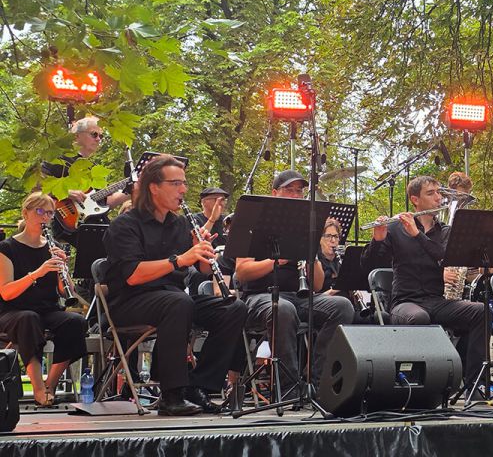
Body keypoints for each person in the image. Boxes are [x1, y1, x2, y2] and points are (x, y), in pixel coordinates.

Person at [102, 155, 248, 415]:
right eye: (175, 183)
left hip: (176, 301)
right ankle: (171, 395)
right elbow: (133, 275)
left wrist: (202, 250)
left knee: (233, 308)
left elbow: (203, 269)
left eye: (184, 183)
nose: (183, 190)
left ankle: (200, 385)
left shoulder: (179, 224)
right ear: (153, 187)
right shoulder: (124, 225)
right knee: (178, 302)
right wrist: (179, 259)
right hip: (130, 301)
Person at [235, 170, 355, 396]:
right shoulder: (254, 222)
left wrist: (312, 257)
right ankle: (288, 389)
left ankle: (318, 383)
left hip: (298, 297)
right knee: (283, 309)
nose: (295, 195)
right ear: (274, 193)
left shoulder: (305, 227)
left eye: (299, 191)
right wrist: (278, 260)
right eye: (289, 190)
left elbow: (317, 286)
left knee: (342, 306)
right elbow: (242, 272)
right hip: (260, 297)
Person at [361, 175, 486, 393]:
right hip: (405, 302)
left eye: (439, 192)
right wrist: (377, 240)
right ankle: (415, 384)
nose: (439, 198)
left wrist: (417, 235)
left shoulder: (445, 231)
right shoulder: (396, 228)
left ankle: (474, 385)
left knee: (480, 311)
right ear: (415, 200)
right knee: (419, 317)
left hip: (436, 300)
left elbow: (443, 257)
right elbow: (368, 265)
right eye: (431, 193)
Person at [0, 192, 87, 406]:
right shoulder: (7, 248)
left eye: (50, 213)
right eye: (40, 211)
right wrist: (38, 273)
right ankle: (38, 387)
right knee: (29, 319)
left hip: (47, 309)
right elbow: (6, 292)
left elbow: (64, 291)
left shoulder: (52, 247)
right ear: (26, 213)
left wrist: (62, 268)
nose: (45, 217)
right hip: (13, 311)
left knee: (75, 322)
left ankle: (50, 385)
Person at [41, 116, 128, 241]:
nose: (98, 139)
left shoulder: (93, 168)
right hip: (67, 221)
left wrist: (132, 190)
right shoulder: (59, 160)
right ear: (76, 136)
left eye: (101, 136)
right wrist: (67, 193)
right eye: (94, 134)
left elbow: (105, 202)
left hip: (94, 222)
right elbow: (38, 188)